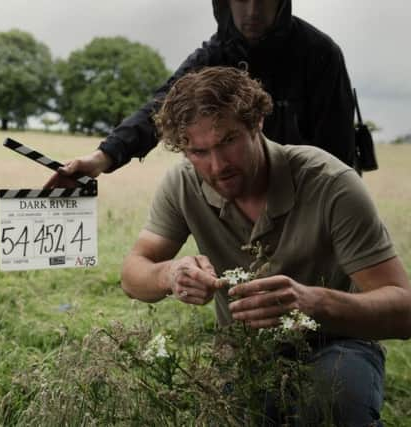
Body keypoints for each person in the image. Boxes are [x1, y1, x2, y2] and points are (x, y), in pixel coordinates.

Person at [120, 67, 411, 425]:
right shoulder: (182, 184)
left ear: (257, 123)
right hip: (242, 351)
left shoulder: (331, 183)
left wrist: (313, 301)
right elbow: (133, 274)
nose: (217, 165)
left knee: (330, 406)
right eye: (197, 151)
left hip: (337, 342)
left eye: (229, 141)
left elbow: (403, 309)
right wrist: (170, 274)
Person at [47, 0, 356, 187]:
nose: (252, 10)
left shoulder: (320, 54)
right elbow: (161, 107)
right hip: (239, 196)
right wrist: (103, 157)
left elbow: (338, 155)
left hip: (305, 192)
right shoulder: (214, 55)